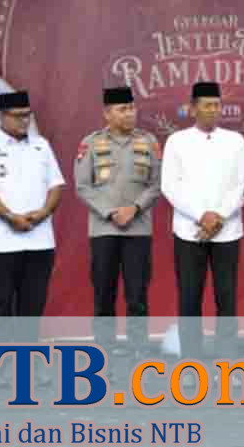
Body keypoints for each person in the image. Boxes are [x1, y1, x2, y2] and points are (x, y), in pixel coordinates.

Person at [160, 81, 244, 360]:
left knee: (227, 298)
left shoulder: (236, 141)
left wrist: (219, 215)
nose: (213, 110)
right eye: (207, 105)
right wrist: (202, 215)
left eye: (217, 105)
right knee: (189, 297)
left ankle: (227, 358)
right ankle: (191, 358)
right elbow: (169, 185)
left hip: (227, 230)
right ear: (192, 109)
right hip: (189, 231)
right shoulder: (177, 141)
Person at [0, 90, 65, 345]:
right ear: (2, 116)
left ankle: (26, 359)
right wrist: (10, 217)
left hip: (39, 240)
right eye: (18, 116)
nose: (24, 121)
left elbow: (56, 185)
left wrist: (43, 213)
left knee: (32, 306)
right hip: (0, 242)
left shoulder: (41, 144)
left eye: (27, 115)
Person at [75, 86, 163, 356]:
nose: (129, 114)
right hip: (104, 229)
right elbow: (82, 186)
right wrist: (111, 212)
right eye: (123, 109)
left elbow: (158, 183)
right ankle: (105, 345)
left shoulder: (148, 141)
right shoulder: (91, 143)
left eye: (132, 108)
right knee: (104, 292)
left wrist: (135, 208)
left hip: (138, 230)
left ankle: (138, 346)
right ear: (107, 113)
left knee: (138, 293)